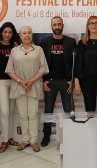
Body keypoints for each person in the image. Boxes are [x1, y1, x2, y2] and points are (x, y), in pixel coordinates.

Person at [5, 26, 49, 152]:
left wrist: (31, 81)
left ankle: (34, 141)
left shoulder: (38, 50)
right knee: (23, 115)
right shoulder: (14, 51)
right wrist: (21, 81)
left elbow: (43, 68)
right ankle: (25, 140)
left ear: (32, 35)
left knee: (33, 114)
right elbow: (9, 70)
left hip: (34, 86)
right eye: (24, 33)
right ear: (20, 36)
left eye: (29, 32)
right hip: (19, 86)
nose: (27, 35)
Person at [40, 16, 76, 147]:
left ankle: (71, 134)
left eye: (59, 24)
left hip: (66, 82)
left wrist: (72, 80)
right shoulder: (44, 42)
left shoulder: (71, 42)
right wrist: (44, 80)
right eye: (54, 25)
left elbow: (74, 63)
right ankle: (46, 136)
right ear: (51, 27)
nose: (57, 27)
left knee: (69, 110)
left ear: (63, 26)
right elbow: (41, 63)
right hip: (50, 82)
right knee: (48, 110)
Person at [74, 16, 97, 111]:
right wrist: (77, 83)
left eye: (96, 23)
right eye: (91, 23)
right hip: (87, 80)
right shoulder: (82, 43)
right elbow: (78, 64)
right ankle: (91, 126)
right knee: (89, 107)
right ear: (88, 26)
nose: (93, 25)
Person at [0, 22, 20, 153]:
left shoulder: (15, 47)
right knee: (4, 111)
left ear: (13, 34)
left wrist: (18, 49)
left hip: (15, 82)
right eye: (5, 32)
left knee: (11, 112)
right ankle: (4, 140)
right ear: (1, 32)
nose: (7, 34)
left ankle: (10, 137)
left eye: (10, 32)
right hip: (1, 82)